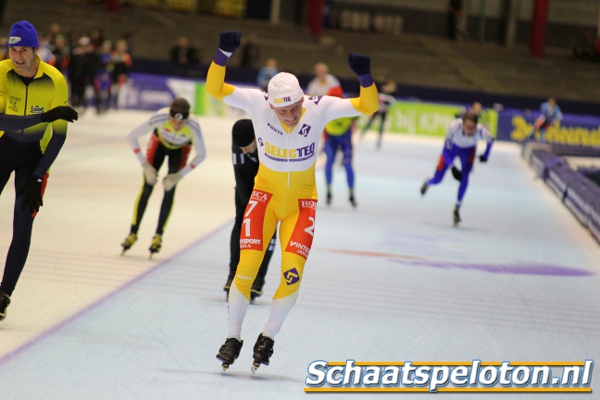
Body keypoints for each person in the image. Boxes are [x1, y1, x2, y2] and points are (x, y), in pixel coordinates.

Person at [206, 31, 378, 372]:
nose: (291, 114)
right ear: (271, 104)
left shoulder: (320, 106)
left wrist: (365, 78)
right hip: (264, 199)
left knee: (291, 275)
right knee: (245, 270)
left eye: (296, 107)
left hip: (302, 206)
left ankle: (268, 335)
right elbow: (215, 88)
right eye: (284, 109)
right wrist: (223, 53)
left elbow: (368, 105)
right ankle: (232, 337)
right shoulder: (257, 103)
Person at [0, 20, 78, 321]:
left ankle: (4, 294)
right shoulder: (2, 73)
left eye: (23, 50)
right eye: (13, 49)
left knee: (23, 221)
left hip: (34, 155)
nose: (17, 56)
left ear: (36, 50)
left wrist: (37, 174)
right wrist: (44, 115)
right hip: (3, 149)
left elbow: (59, 135)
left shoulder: (55, 80)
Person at [120, 98, 206, 258]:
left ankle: (158, 235)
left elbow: (202, 155)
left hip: (180, 150)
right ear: (169, 115)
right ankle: (133, 232)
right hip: (158, 144)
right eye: (173, 120)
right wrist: (145, 165)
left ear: (187, 118)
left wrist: (179, 175)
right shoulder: (161, 116)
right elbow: (131, 136)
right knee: (147, 187)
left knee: (169, 189)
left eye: (181, 122)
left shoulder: (193, 125)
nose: (176, 125)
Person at [225, 119, 277, 301]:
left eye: (247, 147)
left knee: (269, 226)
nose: (244, 151)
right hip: (247, 178)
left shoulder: (271, 140)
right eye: (241, 149)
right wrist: (248, 206)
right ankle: (233, 275)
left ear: (257, 138)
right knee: (241, 220)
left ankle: (259, 278)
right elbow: (239, 176)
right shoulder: (239, 143)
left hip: (271, 180)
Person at [420, 111, 493, 226]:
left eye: (472, 127)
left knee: (465, 177)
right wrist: (452, 167)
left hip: (468, 151)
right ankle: (429, 181)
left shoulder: (480, 131)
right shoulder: (454, 127)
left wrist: (486, 155)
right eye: (467, 127)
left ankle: (457, 208)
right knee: (438, 179)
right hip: (451, 150)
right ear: (462, 124)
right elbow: (445, 150)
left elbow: (491, 140)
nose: (470, 130)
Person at [322, 86, 358, 207]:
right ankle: (331, 192)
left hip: (342, 138)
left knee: (343, 164)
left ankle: (349, 193)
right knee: (332, 162)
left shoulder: (347, 106)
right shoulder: (325, 107)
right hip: (333, 138)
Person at [360, 78, 396, 149]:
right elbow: (377, 97)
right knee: (370, 123)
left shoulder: (392, 94)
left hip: (383, 112)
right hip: (376, 110)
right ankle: (362, 135)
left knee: (381, 127)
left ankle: (379, 142)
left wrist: (385, 104)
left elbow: (392, 102)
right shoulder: (381, 89)